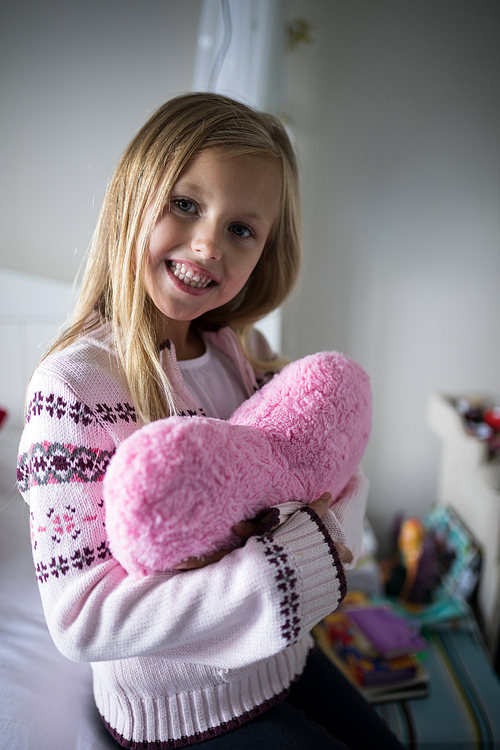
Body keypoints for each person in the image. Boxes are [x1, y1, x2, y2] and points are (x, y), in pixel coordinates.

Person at [17, 92, 404, 750]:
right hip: (182, 713)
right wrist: (293, 561)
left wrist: (322, 534)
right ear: (132, 195)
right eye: (187, 204)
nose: (208, 244)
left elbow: (313, 479)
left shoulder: (236, 355)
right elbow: (81, 618)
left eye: (241, 229)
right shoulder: (71, 390)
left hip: (280, 662)